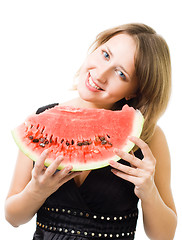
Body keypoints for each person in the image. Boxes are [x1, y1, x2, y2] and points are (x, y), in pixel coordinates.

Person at [5, 23, 177, 240]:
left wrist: (149, 191)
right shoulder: (41, 123)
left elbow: (165, 236)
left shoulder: (147, 137)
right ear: (96, 47)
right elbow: (13, 218)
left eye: (120, 73)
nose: (101, 74)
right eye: (105, 54)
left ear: (135, 90)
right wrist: (36, 191)